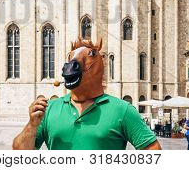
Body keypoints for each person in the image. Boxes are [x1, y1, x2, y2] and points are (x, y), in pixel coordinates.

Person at [13, 38, 161, 150]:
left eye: (90, 54)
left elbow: (153, 152)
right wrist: (31, 126)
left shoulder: (123, 110)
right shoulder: (49, 109)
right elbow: (19, 155)